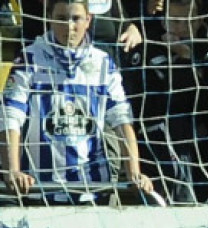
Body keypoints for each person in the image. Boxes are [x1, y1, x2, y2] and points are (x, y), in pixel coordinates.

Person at [1, 0, 153, 204]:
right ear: (49, 20)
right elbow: (10, 117)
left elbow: (122, 119)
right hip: (40, 190)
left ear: (88, 20)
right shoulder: (29, 59)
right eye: (61, 19)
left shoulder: (102, 63)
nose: (69, 27)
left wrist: (135, 171)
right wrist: (13, 170)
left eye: (76, 19)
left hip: (93, 191)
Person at [123, 0, 208, 203]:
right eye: (173, 21)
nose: (179, 28)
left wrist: (188, 60)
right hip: (157, 158)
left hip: (206, 158)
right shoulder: (146, 51)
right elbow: (143, 107)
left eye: (186, 22)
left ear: (199, 20)